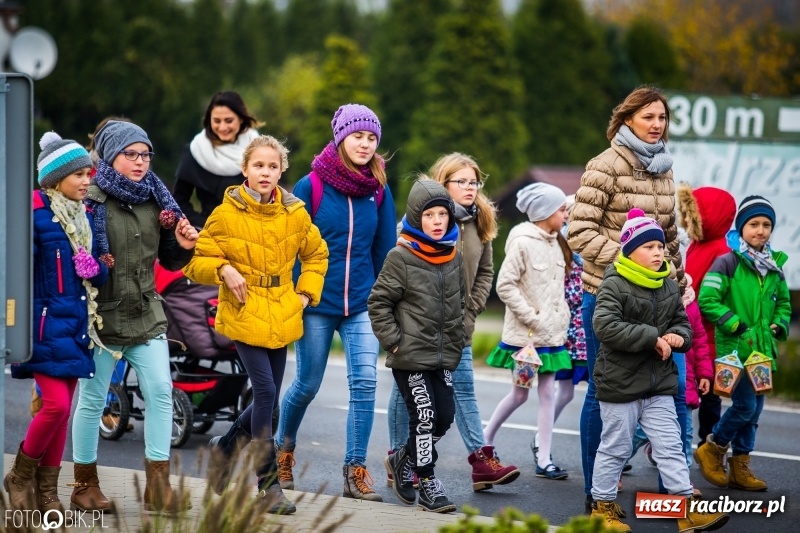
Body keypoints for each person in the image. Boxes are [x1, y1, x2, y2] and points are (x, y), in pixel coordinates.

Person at [184, 135, 328, 514]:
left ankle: (224, 448)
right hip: (244, 310)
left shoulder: (295, 213)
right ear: (245, 169)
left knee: (271, 403)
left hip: (281, 311)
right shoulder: (225, 214)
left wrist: (304, 295)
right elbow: (195, 262)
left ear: (282, 171)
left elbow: (317, 255)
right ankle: (268, 487)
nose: (265, 172)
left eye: (272, 166)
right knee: (264, 393)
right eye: (258, 165)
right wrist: (223, 269)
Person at [567, 86, 686, 512]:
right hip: (608, 296)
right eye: (648, 116)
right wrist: (627, 261)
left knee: (668, 393)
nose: (657, 124)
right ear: (627, 119)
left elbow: (669, 238)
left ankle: (675, 498)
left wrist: (678, 285)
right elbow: (579, 232)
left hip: (659, 300)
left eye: (662, 117)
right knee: (604, 393)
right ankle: (596, 498)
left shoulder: (665, 168)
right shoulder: (605, 165)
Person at [70, 120, 198, 514]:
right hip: (101, 318)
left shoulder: (157, 200)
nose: (141, 161)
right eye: (131, 154)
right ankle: (84, 486)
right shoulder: (89, 199)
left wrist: (183, 246)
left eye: (146, 154)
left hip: (146, 315)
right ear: (111, 156)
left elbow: (169, 260)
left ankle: (157, 488)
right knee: (93, 400)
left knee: (160, 391)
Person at [275, 103, 396, 501]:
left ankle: (354, 470)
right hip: (315, 302)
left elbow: (385, 250)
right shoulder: (311, 186)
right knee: (307, 385)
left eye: (371, 137)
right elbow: (289, 246)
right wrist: (294, 294)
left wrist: (386, 300)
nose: (365, 144)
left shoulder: (378, 190)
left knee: (365, 383)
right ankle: (282, 451)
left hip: (362, 303)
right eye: (358, 136)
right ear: (341, 137)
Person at [385, 153, 518, 492]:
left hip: (459, 326)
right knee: (405, 397)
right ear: (443, 184)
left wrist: (469, 312)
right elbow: (396, 279)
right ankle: (399, 459)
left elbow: (485, 271)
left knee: (463, 391)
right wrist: (398, 333)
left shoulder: (480, 219)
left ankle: (480, 459)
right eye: (462, 182)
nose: (471, 188)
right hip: (417, 330)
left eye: (475, 182)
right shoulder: (417, 221)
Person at [589, 209, 728, 533]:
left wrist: (679, 337)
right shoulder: (614, 282)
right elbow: (605, 326)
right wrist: (652, 338)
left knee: (671, 446)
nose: (658, 252)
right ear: (630, 251)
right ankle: (602, 509)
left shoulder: (668, 285)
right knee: (615, 448)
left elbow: (683, 323)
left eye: (660, 246)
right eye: (649, 246)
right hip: (621, 384)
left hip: (659, 384)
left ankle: (685, 510)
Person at [4, 133, 108, 512]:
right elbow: (17, 273)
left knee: (62, 413)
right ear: (55, 178)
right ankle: (19, 477)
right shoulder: (34, 217)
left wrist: (95, 269)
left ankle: (47, 490)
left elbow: (97, 276)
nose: (86, 181)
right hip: (44, 328)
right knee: (55, 407)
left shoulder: (85, 217)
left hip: (77, 327)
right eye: (78, 175)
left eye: (88, 174)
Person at [369, 178, 464, 513]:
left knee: (444, 417)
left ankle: (403, 459)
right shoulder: (401, 256)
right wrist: (394, 342)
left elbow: (460, 302)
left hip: (443, 356)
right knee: (424, 417)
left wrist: (458, 339)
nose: (437, 221)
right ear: (415, 217)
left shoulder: (453, 255)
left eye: (442, 214)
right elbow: (378, 303)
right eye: (429, 215)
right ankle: (427, 482)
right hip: (409, 356)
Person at [695, 196, 791, 492]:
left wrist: (779, 324)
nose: (761, 230)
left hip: (762, 352)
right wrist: (734, 323)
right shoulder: (728, 262)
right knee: (745, 405)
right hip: (735, 350)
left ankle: (740, 466)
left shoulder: (774, 266)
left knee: (755, 409)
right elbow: (707, 299)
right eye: (754, 224)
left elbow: (783, 303)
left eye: (766, 225)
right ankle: (713, 447)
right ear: (741, 228)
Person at [483, 183, 572, 480]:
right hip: (528, 340)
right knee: (520, 395)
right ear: (545, 212)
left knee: (548, 393)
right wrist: (532, 317)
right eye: (561, 210)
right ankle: (484, 439)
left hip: (552, 337)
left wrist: (560, 318)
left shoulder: (557, 242)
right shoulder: (522, 242)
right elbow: (504, 285)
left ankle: (544, 458)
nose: (565, 215)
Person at [677, 184, 736, 447]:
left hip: (709, 334)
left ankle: (707, 444)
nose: (685, 220)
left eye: (691, 214)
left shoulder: (721, 251)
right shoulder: (697, 245)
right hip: (693, 328)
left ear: (707, 217)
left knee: (709, 393)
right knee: (692, 389)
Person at [534, 194, 588, 462]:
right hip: (568, 332)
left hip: (585, 333)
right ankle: (539, 441)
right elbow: (564, 291)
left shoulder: (589, 244)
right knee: (564, 391)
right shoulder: (561, 247)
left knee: (594, 392)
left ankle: (609, 453)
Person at [173, 91, 261, 227]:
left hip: (252, 230)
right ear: (209, 120)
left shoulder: (259, 149)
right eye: (217, 121)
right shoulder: (196, 150)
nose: (222, 127)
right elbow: (179, 201)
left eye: (229, 121)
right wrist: (206, 227)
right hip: (208, 232)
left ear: (241, 118)